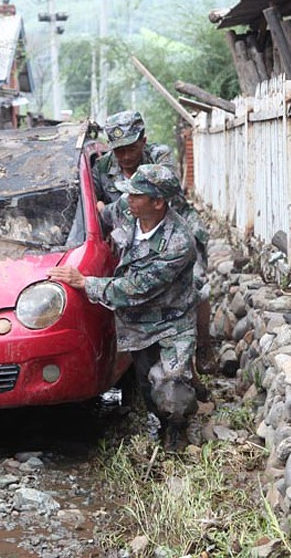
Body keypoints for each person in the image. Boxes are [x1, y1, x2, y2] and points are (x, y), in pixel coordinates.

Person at [48, 163, 199, 448]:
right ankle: (160, 421)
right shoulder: (127, 209)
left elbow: (136, 288)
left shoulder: (179, 243)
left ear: (157, 202)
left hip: (171, 323)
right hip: (136, 324)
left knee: (173, 390)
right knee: (146, 385)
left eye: (136, 195)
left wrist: (85, 282)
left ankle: (177, 429)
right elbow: (102, 216)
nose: (128, 199)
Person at [92, 110, 215, 375]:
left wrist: (110, 210)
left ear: (143, 141)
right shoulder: (102, 167)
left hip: (175, 226)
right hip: (135, 233)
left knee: (196, 287)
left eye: (130, 149)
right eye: (118, 150)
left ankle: (202, 346)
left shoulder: (160, 157)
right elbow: (93, 203)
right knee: (141, 287)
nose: (124, 157)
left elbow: (162, 194)